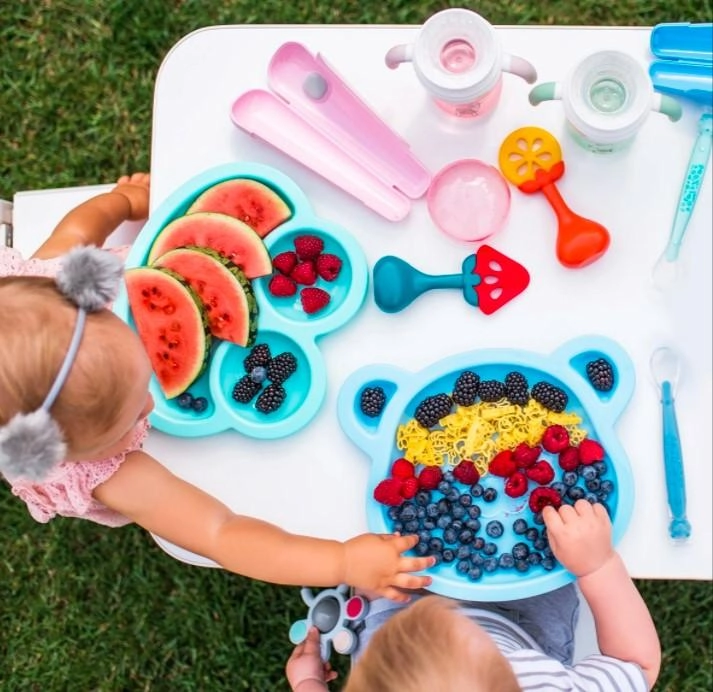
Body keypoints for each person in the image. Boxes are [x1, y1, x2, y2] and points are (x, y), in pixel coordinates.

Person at [0, 174, 434, 599]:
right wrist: (340, 561)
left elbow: (80, 229)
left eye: (144, 373)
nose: (151, 404)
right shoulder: (105, 475)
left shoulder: (56, 280)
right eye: (130, 419)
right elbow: (220, 533)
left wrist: (124, 201)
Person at [285, 499, 661, 691]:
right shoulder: (542, 685)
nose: (450, 610)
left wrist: (308, 684)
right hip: (525, 625)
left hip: (393, 618)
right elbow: (638, 666)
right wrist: (598, 567)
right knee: (550, 566)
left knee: (374, 560)